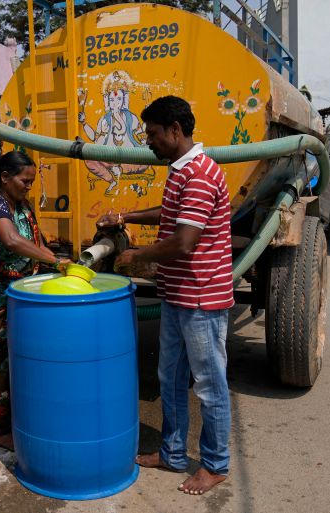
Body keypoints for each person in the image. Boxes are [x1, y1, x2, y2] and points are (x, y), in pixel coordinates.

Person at [97, 96, 233, 495]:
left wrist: (135, 254)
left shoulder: (202, 173)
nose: (148, 141)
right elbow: (172, 214)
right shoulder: (180, 171)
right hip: (178, 295)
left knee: (209, 384)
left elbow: (185, 240)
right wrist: (126, 217)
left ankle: (216, 464)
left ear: (176, 130)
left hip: (201, 298)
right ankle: (173, 453)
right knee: (170, 377)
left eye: (153, 134)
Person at [0, 151, 70, 451]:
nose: (29, 187)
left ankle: (20, 415)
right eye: (24, 181)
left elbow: (36, 243)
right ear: (5, 177)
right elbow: (12, 241)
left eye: (32, 181)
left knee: (21, 358)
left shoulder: (24, 206)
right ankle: (1, 430)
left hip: (21, 291)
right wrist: (53, 259)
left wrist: (61, 266)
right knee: (0, 360)